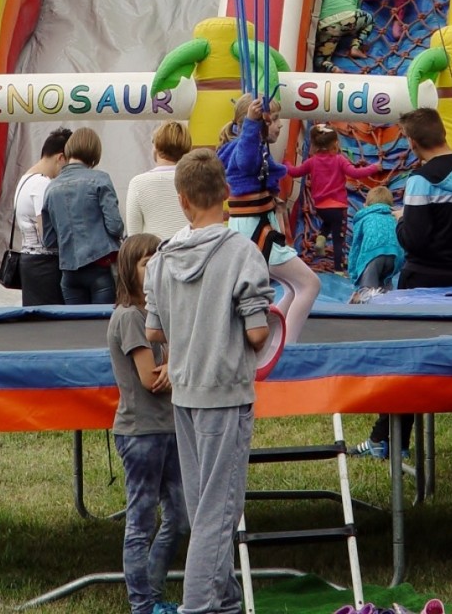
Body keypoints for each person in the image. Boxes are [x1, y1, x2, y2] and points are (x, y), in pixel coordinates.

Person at [144, 149, 273, 614]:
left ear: (182, 200)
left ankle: (225, 605)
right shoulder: (242, 253)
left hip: (184, 391)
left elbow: (154, 331)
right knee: (219, 515)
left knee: (205, 509)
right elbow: (258, 332)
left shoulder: (161, 256)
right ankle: (197, 607)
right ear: (227, 193)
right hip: (225, 390)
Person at [350, 108, 452, 458]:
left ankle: (387, 440)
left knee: (401, 363)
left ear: (413, 143)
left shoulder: (420, 182)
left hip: (423, 287)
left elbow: (413, 239)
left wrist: (401, 220)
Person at [108, 233, 188, 614]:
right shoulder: (129, 317)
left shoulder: (161, 315)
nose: (154, 266)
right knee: (141, 523)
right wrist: (175, 362)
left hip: (170, 428)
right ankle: (143, 605)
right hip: (141, 433)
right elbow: (152, 380)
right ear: (129, 270)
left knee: (181, 516)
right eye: (145, 263)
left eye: (159, 259)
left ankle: (153, 594)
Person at [217, 93, 321, 343]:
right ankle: (287, 345)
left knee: (292, 286)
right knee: (310, 285)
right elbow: (246, 162)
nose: (280, 124)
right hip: (256, 232)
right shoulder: (243, 148)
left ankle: (278, 338)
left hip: (257, 228)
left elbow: (261, 170)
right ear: (258, 124)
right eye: (274, 120)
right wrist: (252, 124)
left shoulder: (253, 148)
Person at [41, 126, 124, 304]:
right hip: (100, 269)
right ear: (94, 152)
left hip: (69, 274)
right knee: (100, 327)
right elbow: (115, 226)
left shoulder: (51, 187)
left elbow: (49, 241)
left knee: (76, 329)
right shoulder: (101, 179)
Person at [285, 125, 381, 273]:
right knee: (339, 240)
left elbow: (295, 172)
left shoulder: (312, 161)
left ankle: (321, 237)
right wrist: (374, 167)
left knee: (327, 222)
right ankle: (339, 269)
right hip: (338, 207)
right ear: (336, 144)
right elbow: (355, 173)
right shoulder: (339, 160)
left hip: (320, 207)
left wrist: (287, 162)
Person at [13, 127, 72, 306]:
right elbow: (45, 231)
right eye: (68, 164)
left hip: (28, 260)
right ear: (60, 157)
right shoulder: (42, 184)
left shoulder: (25, 179)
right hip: (44, 265)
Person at [125, 122, 193, 240]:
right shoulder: (198, 180)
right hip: (194, 255)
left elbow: (134, 237)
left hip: (154, 255)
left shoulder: (138, 183)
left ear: (156, 147)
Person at [314, 0, 374, 72]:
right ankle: (355, 47)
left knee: (320, 61)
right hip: (349, 18)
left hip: (327, 26)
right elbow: (355, 8)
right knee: (370, 20)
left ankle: (333, 69)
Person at [347, 184, 404, 294]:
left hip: (373, 255)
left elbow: (356, 246)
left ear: (366, 204)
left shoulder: (364, 217)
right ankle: (387, 302)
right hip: (395, 255)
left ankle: (366, 306)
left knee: (367, 291)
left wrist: (354, 273)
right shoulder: (394, 216)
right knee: (386, 284)